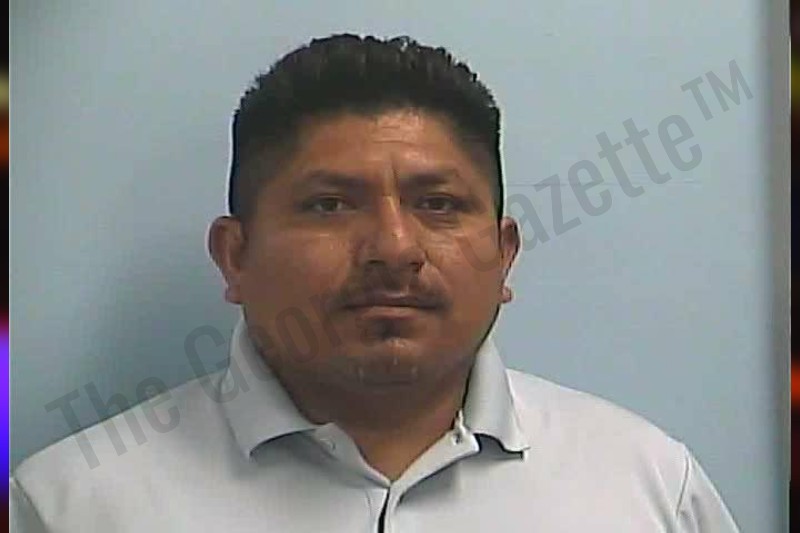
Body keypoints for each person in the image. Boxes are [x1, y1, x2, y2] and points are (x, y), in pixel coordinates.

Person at [10, 33, 741, 532]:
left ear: (503, 255)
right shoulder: (74, 505)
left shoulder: (646, 488)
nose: (394, 248)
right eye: (330, 205)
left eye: (439, 204)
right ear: (235, 256)